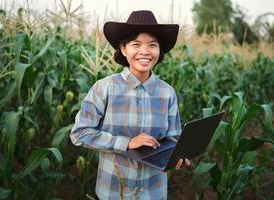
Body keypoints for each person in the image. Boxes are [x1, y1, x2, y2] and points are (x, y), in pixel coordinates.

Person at [70, 10, 190, 200]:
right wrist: (126, 143)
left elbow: (173, 138)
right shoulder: (104, 88)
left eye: (152, 45)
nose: (145, 51)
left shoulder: (167, 93)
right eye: (136, 44)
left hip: (154, 192)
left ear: (160, 51)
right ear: (124, 49)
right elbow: (80, 133)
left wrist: (177, 155)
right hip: (113, 191)